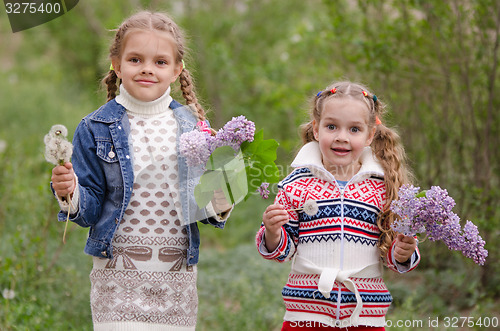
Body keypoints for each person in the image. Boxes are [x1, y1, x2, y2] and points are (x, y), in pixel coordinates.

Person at [50, 11, 231, 331]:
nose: (147, 68)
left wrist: (221, 199)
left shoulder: (194, 128)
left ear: (177, 70)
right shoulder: (94, 128)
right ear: (117, 64)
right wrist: (70, 191)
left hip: (175, 279)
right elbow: (89, 209)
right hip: (117, 277)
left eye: (160, 62)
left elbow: (200, 205)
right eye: (136, 59)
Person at [256, 81, 420, 330]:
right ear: (316, 129)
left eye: (354, 129)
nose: (342, 137)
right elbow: (283, 251)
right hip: (306, 315)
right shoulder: (295, 185)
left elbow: (391, 253)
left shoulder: (383, 189)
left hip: (364, 315)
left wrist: (402, 253)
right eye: (332, 126)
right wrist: (272, 232)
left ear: (369, 136)